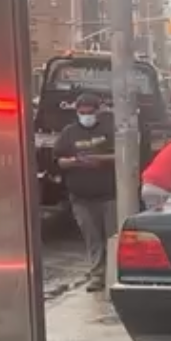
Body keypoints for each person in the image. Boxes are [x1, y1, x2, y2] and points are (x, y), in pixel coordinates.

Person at [54, 91, 116, 291]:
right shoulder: (69, 133)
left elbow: (124, 153)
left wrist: (101, 159)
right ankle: (97, 275)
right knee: (93, 239)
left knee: (113, 237)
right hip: (81, 198)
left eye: (89, 112)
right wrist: (74, 162)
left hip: (109, 195)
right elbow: (59, 160)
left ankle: (115, 274)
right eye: (82, 112)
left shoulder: (109, 129)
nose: (86, 116)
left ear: (98, 111)